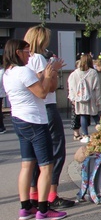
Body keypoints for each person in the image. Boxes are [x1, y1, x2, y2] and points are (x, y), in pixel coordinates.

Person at [3, 38, 67, 220]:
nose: (29, 55)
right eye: (26, 51)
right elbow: (42, 93)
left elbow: (32, 87)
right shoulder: (23, 71)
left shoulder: (8, 72)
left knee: (26, 165)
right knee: (46, 166)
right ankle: (43, 211)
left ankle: (25, 208)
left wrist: (44, 76)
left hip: (19, 120)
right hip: (35, 121)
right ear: (17, 52)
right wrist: (49, 74)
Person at [24, 26, 75, 209]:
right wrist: (53, 70)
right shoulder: (39, 59)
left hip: (32, 110)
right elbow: (49, 87)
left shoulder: (26, 59)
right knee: (56, 150)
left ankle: (34, 194)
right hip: (47, 107)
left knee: (34, 156)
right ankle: (51, 193)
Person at [67, 53, 101, 144]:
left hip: (79, 99)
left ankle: (85, 135)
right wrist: (98, 100)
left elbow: (70, 87)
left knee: (83, 115)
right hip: (91, 98)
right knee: (95, 115)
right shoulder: (93, 73)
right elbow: (97, 88)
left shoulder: (74, 74)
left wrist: (73, 98)